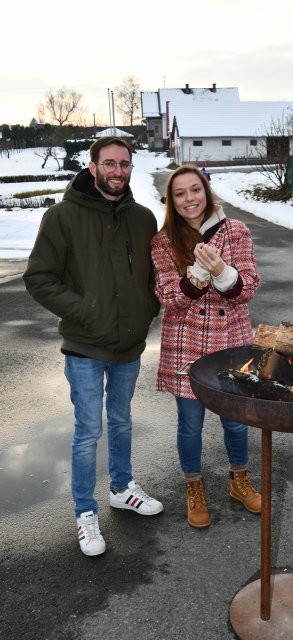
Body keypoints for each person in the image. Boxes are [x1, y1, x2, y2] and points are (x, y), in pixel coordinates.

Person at [23, 136, 163, 557]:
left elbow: (153, 278)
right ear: (92, 165)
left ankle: (122, 489)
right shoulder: (62, 217)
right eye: (109, 163)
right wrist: (86, 310)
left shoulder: (142, 220)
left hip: (128, 345)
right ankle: (85, 512)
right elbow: (39, 278)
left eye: (124, 164)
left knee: (121, 421)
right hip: (84, 345)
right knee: (88, 431)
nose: (117, 171)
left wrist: (146, 308)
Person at [151, 165, 261, 528]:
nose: (189, 199)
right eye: (179, 194)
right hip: (186, 345)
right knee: (189, 425)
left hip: (230, 342)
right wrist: (196, 277)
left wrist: (223, 273)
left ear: (206, 191)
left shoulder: (237, 231)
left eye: (194, 190)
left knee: (236, 423)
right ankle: (194, 489)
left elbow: (246, 290)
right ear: (172, 200)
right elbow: (168, 297)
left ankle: (239, 482)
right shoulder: (164, 241)